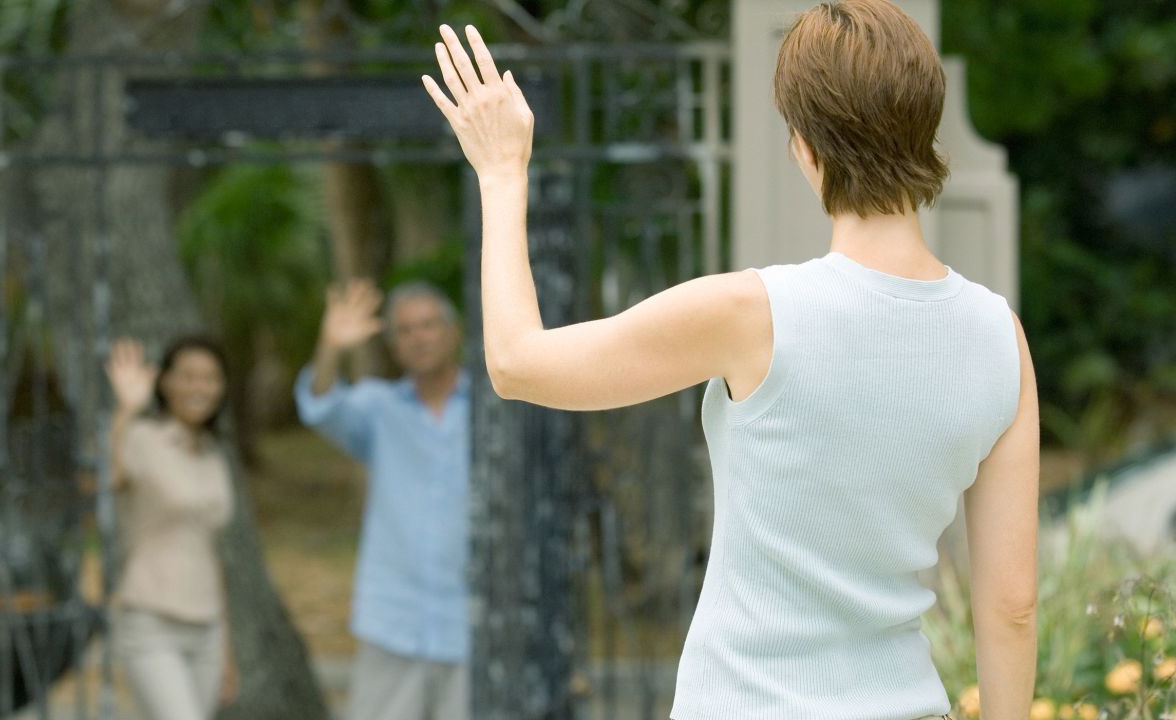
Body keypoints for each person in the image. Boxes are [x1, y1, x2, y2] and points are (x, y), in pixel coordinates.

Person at [421, 3, 1037, 719]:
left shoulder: (753, 315)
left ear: (805, 147)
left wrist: (501, 174)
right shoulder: (1000, 336)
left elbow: (517, 363)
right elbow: (1012, 608)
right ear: (926, 129)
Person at [294, 279, 470, 720]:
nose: (419, 337)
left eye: (429, 324)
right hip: (392, 619)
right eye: (406, 330)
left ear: (453, 333)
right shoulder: (378, 408)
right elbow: (321, 405)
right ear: (393, 345)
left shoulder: (492, 407)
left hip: (469, 622)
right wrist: (329, 347)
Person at [105, 336, 239, 720]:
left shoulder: (213, 454)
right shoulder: (143, 439)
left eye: (210, 378)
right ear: (165, 382)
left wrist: (226, 647)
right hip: (151, 622)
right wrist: (125, 412)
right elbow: (109, 477)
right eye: (188, 377)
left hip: (208, 627)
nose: (200, 387)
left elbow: (210, 552)